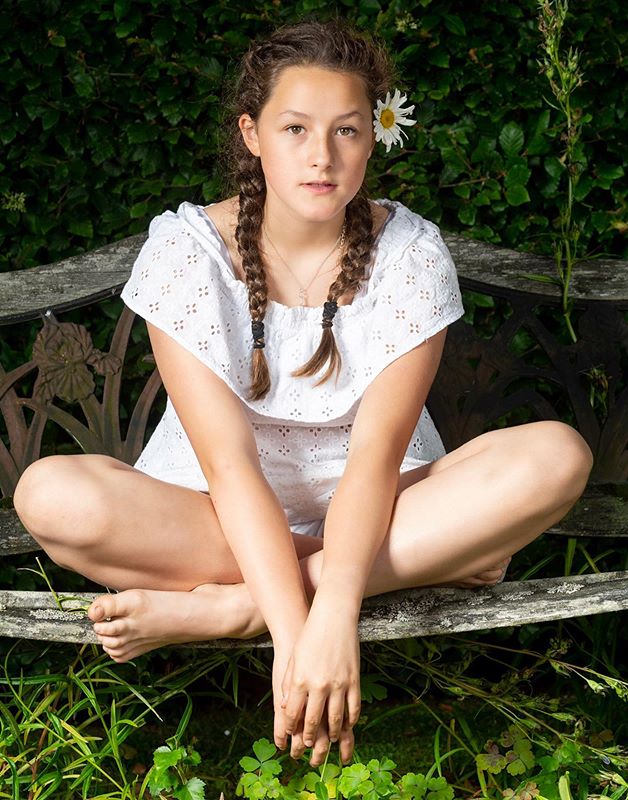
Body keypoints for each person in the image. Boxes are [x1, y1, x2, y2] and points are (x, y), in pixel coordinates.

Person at [13, 19, 593, 769]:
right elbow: (230, 470)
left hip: (385, 506)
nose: (322, 156)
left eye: (348, 130)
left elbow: (375, 462)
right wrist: (298, 635)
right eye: (295, 128)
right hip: (212, 515)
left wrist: (291, 614)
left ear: (374, 135)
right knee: (53, 496)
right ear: (252, 133)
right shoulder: (186, 251)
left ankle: (227, 607)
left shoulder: (410, 252)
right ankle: (427, 558)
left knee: (555, 456)